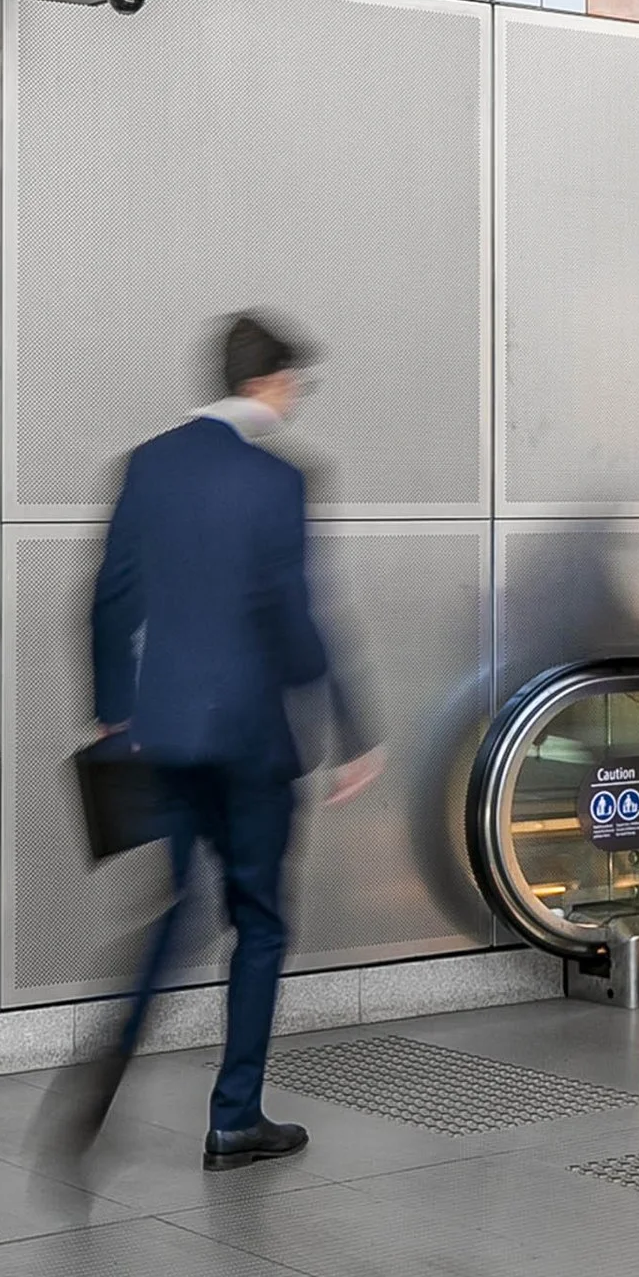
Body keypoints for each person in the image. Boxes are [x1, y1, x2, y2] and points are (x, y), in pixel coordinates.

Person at [42, 312, 382, 1171]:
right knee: (257, 920)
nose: (296, 396)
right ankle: (235, 1117)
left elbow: (108, 597)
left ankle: (103, 1064)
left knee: (178, 908)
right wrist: (351, 730)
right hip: (252, 738)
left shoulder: (148, 464)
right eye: (295, 382)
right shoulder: (280, 478)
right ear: (268, 382)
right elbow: (297, 616)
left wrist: (115, 711)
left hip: (166, 732)